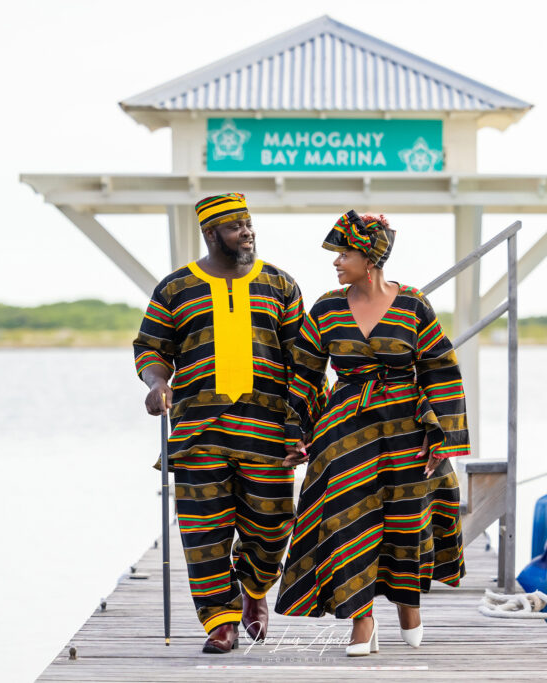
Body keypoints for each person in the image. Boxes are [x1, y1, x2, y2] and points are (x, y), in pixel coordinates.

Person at [274, 210, 468, 656]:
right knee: (345, 517)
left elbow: (440, 369)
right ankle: (361, 622)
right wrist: (296, 432)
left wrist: (443, 435)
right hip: (346, 424)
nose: (336, 261)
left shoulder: (414, 303)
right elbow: (304, 374)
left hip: (407, 425)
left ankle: (408, 604)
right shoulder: (325, 307)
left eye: (344, 252)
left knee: (406, 515)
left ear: (372, 257)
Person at [133, 193, 304, 653]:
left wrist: (300, 428)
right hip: (197, 433)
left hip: (268, 434)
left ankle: (253, 592)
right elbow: (150, 348)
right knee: (203, 529)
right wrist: (156, 384)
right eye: (235, 227)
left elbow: (303, 362)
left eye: (249, 224)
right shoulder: (174, 288)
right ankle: (220, 620)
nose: (247, 232)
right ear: (210, 234)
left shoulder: (279, 284)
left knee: (272, 529)